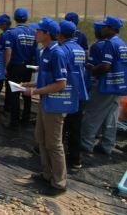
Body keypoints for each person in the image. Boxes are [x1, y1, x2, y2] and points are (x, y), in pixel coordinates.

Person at [22, 17, 70, 196]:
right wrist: (30, 85)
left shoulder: (57, 53)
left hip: (54, 106)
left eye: (38, 31)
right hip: (45, 102)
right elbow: (45, 78)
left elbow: (61, 84)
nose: (35, 33)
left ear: (47, 34)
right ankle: (46, 173)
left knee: (54, 144)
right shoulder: (45, 51)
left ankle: (59, 182)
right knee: (41, 138)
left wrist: (34, 93)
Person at [81, 16, 126, 155]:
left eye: (105, 27)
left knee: (92, 113)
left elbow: (106, 65)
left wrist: (92, 70)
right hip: (118, 85)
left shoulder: (109, 44)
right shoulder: (122, 43)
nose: (102, 28)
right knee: (111, 115)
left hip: (106, 85)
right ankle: (107, 145)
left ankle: (85, 144)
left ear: (111, 29)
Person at [58, 20, 89, 169]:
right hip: (79, 91)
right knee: (75, 127)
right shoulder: (79, 49)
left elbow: (61, 74)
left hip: (66, 93)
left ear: (59, 33)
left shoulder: (62, 50)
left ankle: (58, 159)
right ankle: (76, 159)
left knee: (61, 127)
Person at [5, 7, 38, 129]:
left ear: (14, 18)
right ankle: (25, 119)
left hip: (15, 66)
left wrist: (6, 67)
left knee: (15, 94)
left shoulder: (11, 32)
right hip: (28, 67)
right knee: (26, 92)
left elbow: (9, 51)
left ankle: (14, 123)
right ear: (27, 18)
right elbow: (35, 51)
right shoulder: (33, 33)